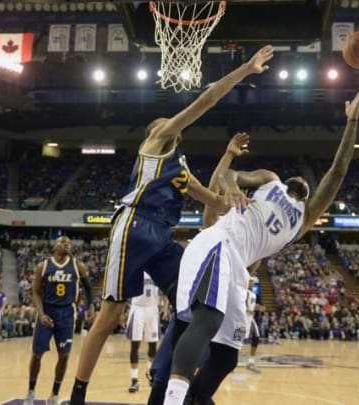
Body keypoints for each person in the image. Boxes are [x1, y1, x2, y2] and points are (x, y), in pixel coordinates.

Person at [68, 45, 274, 405]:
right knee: (111, 313)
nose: (169, 123)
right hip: (134, 225)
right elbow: (207, 98)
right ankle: (77, 395)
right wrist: (246, 69)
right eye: (163, 122)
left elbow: (213, 201)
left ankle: (169, 379)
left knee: (194, 303)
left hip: (162, 237)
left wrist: (236, 185)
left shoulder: (179, 167)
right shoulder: (157, 140)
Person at [162, 83, 359, 405]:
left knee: (227, 357)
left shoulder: (305, 218)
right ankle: (172, 399)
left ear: (308, 192)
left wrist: (352, 122)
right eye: (297, 178)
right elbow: (231, 175)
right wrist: (230, 188)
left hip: (238, 269)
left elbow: (338, 170)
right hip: (221, 242)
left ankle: (194, 400)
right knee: (207, 322)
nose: (300, 179)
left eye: (306, 181)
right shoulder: (271, 179)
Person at [148, 133, 252, 405]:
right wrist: (228, 155)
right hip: (191, 318)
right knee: (162, 385)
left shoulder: (249, 246)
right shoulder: (217, 231)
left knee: (196, 394)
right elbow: (211, 198)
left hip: (218, 324)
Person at [25, 236, 92, 405]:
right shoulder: (43, 266)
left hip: (67, 314)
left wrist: (90, 306)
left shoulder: (78, 266)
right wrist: (41, 315)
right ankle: (31, 391)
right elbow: (35, 292)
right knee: (37, 354)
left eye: (69, 243)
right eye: (63, 242)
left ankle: (54, 394)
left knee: (64, 356)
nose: (67, 244)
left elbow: (89, 288)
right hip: (47, 312)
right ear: (55, 246)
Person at [126, 272, 162, 393]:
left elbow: (164, 289)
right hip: (137, 308)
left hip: (152, 308)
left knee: (153, 346)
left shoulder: (157, 269)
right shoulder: (137, 268)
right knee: (134, 345)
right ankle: (134, 380)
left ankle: (151, 375)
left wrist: (165, 305)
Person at [245, 275, 262, 372]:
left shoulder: (253, 293)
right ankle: (229, 362)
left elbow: (251, 305)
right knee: (238, 339)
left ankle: (251, 361)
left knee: (256, 337)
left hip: (250, 319)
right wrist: (247, 310)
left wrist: (257, 307)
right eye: (250, 281)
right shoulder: (244, 292)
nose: (252, 283)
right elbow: (239, 304)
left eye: (252, 282)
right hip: (242, 318)